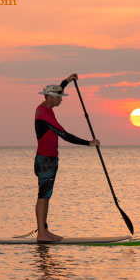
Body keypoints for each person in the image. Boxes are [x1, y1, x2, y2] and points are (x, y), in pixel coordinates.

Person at [34, 73, 100, 243]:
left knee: (46, 195)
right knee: (43, 195)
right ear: (51, 98)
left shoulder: (44, 107)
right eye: (59, 98)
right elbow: (64, 135)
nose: (61, 100)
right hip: (46, 160)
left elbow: (57, 90)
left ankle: (44, 231)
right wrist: (88, 143)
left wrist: (67, 81)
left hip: (49, 159)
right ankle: (41, 233)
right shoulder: (45, 115)